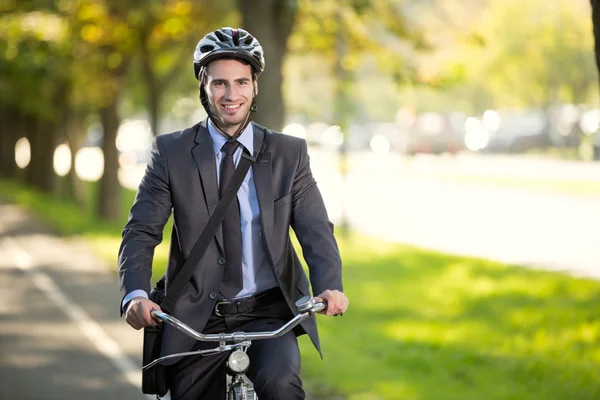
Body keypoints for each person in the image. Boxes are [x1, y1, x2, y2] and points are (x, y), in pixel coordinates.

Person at [118, 27, 349, 399]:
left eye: (241, 82)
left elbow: (314, 228)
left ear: (255, 86)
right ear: (204, 86)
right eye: (220, 83)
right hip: (194, 315)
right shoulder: (171, 153)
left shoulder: (289, 154)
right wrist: (135, 294)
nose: (231, 94)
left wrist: (330, 284)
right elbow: (141, 230)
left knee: (281, 385)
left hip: (268, 310)